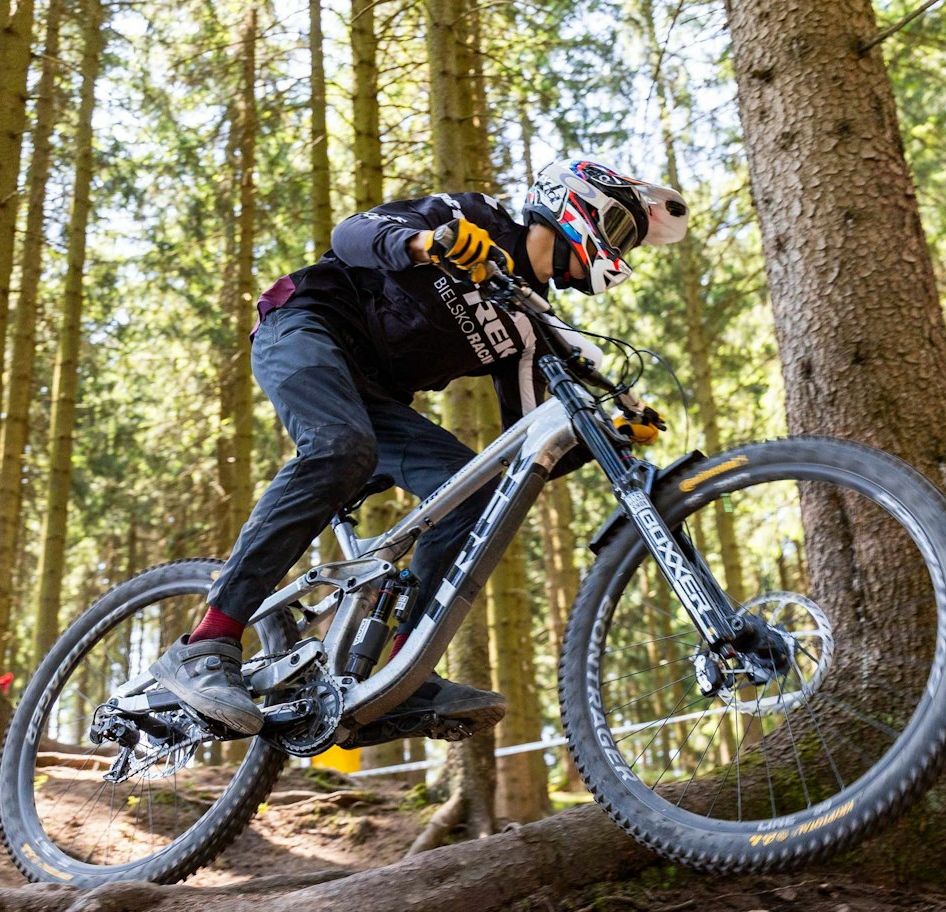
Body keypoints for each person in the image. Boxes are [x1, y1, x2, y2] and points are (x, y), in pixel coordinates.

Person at [150, 158, 689, 741]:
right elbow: (350, 235)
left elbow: (528, 449)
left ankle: (402, 679)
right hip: (307, 326)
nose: (624, 248)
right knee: (342, 447)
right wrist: (427, 242)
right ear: (581, 206)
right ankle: (207, 642)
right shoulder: (471, 217)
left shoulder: (528, 328)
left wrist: (605, 435)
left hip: (373, 400)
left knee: (477, 493)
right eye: (624, 231)